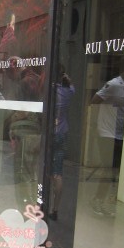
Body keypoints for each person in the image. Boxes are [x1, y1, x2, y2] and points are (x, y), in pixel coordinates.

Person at [90, 65, 124, 216]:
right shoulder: (114, 85)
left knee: (114, 171)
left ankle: (103, 200)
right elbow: (94, 101)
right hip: (106, 133)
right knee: (108, 169)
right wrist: (95, 124)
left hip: (120, 134)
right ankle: (97, 200)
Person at [50, 70, 75, 220]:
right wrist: (68, 80)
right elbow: (71, 86)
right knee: (57, 173)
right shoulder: (69, 91)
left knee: (45, 170)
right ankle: (55, 209)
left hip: (51, 133)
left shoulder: (52, 90)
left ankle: (42, 204)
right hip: (62, 133)